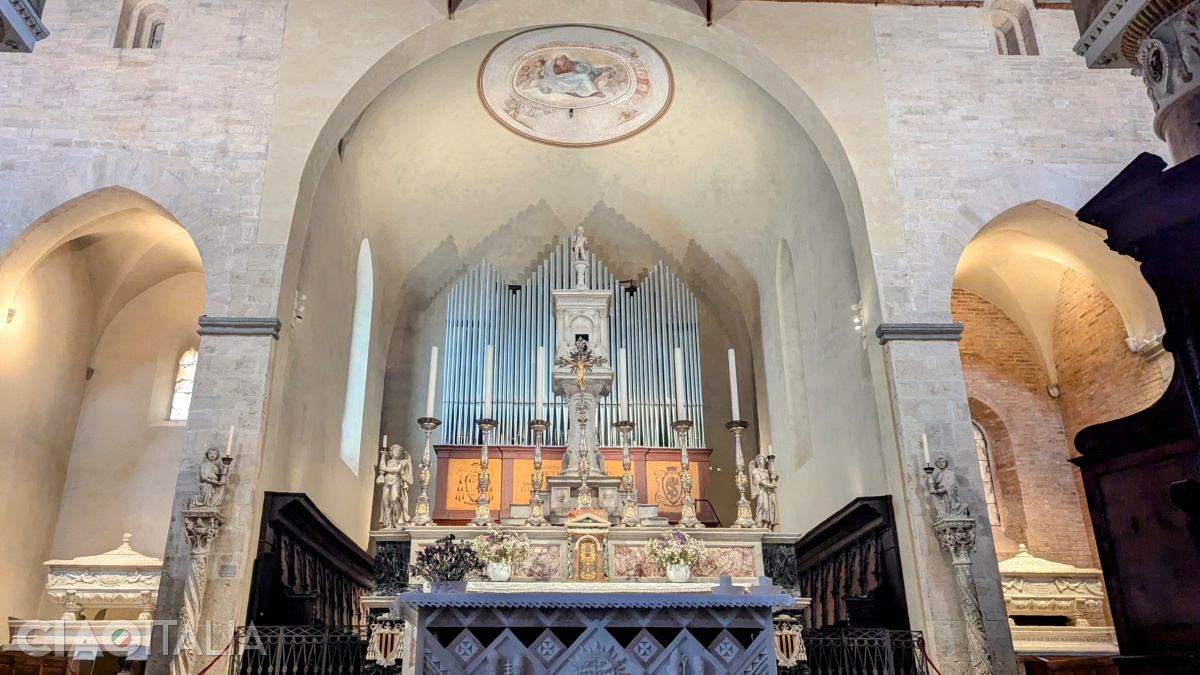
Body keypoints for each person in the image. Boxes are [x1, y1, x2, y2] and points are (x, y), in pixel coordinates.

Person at [377, 445, 414, 528]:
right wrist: (383, 455)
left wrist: (385, 469)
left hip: (396, 480)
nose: (398, 452)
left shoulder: (402, 462)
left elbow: (397, 469)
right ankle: (390, 524)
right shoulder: (388, 462)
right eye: (396, 450)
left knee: (394, 498)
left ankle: (400, 518)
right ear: (391, 451)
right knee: (386, 502)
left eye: (400, 451)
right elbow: (381, 468)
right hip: (387, 480)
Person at [749, 454, 778, 530]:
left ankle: (767, 524)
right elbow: (759, 481)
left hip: (769, 492)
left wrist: (774, 479)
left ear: (764, 461)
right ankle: (761, 523)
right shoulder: (755, 470)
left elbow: (772, 478)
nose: (759, 461)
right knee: (763, 506)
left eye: (761, 459)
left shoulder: (767, 471)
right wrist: (769, 486)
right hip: (762, 491)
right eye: (758, 460)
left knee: (770, 508)